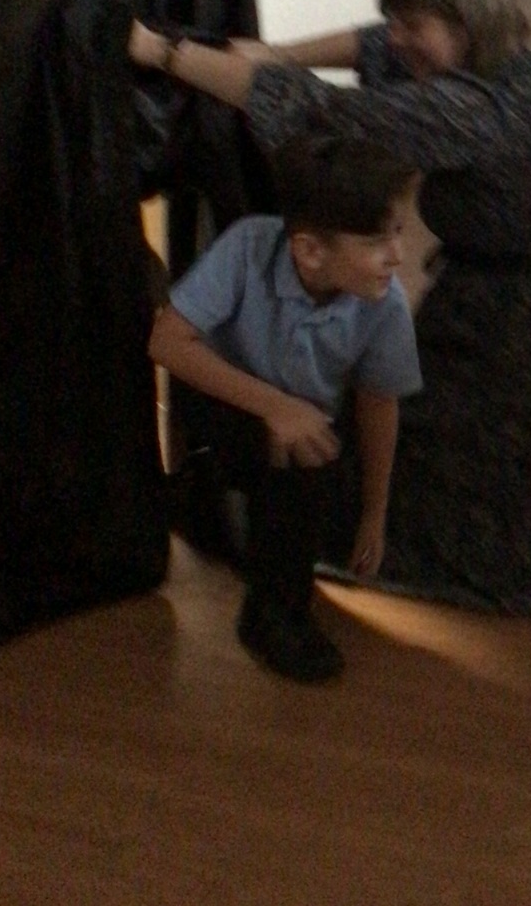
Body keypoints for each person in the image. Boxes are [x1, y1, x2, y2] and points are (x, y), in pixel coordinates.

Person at [129, 0, 531, 619]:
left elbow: (321, 111)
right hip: (529, 290)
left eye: (415, 24)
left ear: (466, 21)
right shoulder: (505, 64)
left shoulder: (476, 108)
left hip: (529, 318)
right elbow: (373, 44)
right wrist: (278, 51)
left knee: (496, 470)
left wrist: (162, 52)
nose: (398, 38)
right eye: (398, 20)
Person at [148, 133, 422, 683]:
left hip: (306, 414)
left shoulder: (384, 304)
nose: (397, 255)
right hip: (224, 396)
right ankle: (274, 616)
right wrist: (275, 407)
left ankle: (229, 514)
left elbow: (379, 403)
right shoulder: (248, 248)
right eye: (376, 240)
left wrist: (375, 513)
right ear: (311, 251)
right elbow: (167, 342)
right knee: (302, 455)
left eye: (397, 232)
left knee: (316, 468)